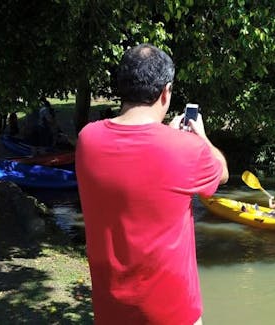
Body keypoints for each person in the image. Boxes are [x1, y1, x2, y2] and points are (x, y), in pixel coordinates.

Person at [76, 43, 229, 325]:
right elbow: (221, 174)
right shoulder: (186, 149)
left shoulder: (87, 140)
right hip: (173, 314)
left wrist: (167, 136)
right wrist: (200, 136)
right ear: (165, 91)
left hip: (111, 310)